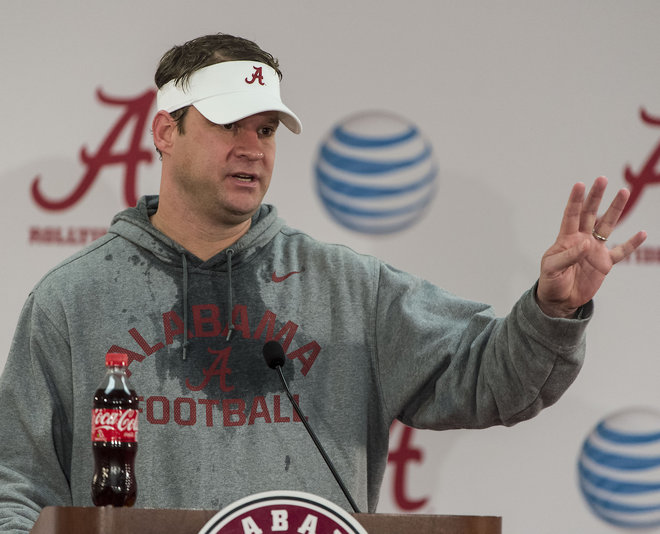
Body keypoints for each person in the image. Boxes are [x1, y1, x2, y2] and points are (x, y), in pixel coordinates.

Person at [0, 32, 647, 533]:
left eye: (266, 129)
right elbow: (17, 484)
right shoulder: (73, 301)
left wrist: (550, 312)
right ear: (165, 130)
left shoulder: (349, 289)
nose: (253, 147)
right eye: (229, 124)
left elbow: (488, 380)